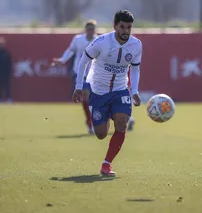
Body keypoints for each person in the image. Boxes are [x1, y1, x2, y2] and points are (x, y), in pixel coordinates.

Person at [73, 10, 142, 176]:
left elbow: (135, 68)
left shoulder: (136, 44)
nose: (126, 31)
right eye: (123, 27)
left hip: (120, 90)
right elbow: (84, 60)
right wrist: (79, 85)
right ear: (115, 26)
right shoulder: (102, 42)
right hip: (99, 91)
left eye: (129, 27)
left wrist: (135, 91)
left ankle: (106, 164)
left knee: (122, 123)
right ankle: (108, 114)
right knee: (101, 134)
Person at [52, 20, 97, 134]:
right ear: (85, 30)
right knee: (86, 97)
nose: (90, 31)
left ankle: (94, 120)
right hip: (80, 72)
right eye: (89, 29)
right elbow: (70, 51)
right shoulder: (78, 40)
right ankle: (90, 122)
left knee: (95, 99)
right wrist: (62, 60)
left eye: (92, 29)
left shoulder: (98, 41)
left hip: (94, 74)